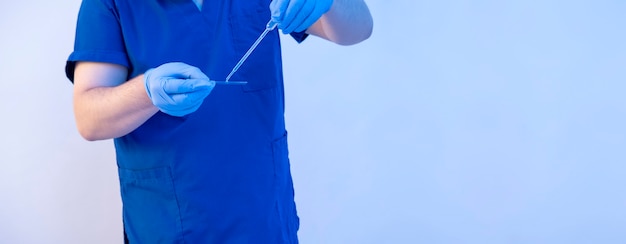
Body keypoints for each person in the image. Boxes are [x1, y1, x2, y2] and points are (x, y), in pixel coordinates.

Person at [65, 0, 372, 242]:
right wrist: (146, 92)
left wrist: (330, 2)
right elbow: (89, 119)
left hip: (262, 218)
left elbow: (359, 28)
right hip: (170, 224)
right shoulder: (109, 4)